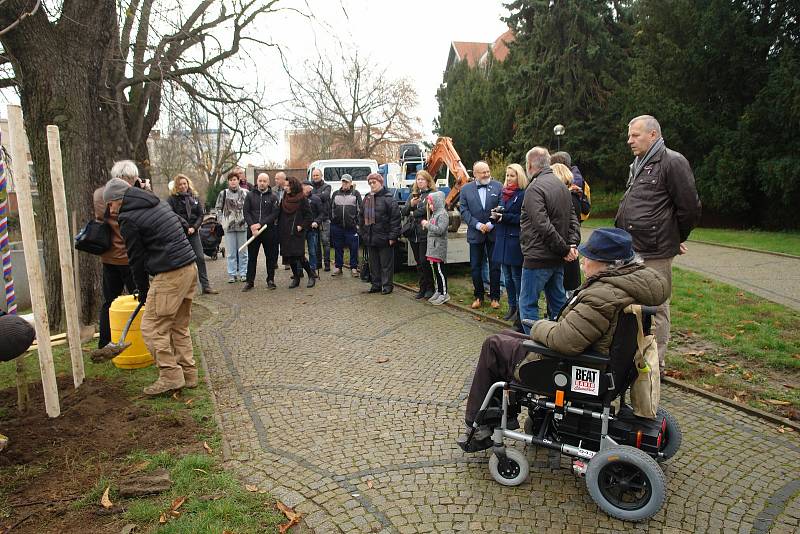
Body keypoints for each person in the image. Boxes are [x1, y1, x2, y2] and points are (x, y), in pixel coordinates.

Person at [457, 227, 669, 451]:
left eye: (589, 258)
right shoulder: (627, 286)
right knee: (505, 336)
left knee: (493, 346)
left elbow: (566, 341)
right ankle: (499, 416)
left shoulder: (603, 295)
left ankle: (478, 424)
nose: (583, 262)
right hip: (604, 366)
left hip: (578, 368)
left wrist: (538, 325)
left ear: (606, 264)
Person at [615, 115, 701, 374]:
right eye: (629, 135)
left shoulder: (672, 161)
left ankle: (655, 363)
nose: (629, 140)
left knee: (658, 306)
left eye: (635, 135)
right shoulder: (638, 163)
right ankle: (634, 354)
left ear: (653, 135)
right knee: (631, 304)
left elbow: (690, 207)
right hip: (632, 248)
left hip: (655, 250)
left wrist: (676, 238)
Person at [104, 177, 199, 396]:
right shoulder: (155, 202)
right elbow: (183, 225)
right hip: (189, 267)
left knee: (152, 327)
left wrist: (143, 290)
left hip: (171, 274)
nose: (111, 209)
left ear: (119, 199)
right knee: (178, 326)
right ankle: (189, 373)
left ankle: (170, 376)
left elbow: (135, 259)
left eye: (111, 204)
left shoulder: (128, 217)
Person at [518, 147, 580, 334]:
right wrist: (570, 246)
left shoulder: (534, 189)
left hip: (538, 258)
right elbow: (573, 220)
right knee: (559, 303)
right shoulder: (561, 185)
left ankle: (536, 348)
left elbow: (542, 225)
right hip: (557, 259)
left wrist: (565, 249)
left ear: (529, 165)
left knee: (528, 305)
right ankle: (561, 342)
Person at [93, 160, 137, 349]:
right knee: (141, 298)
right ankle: (143, 338)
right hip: (128, 256)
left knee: (109, 301)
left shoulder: (99, 195)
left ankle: (104, 341)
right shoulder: (128, 196)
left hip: (108, 256)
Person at [459, 161, 502, 310]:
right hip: (475, 233)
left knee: (495, 266)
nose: (486, 174)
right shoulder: (465, 189)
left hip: (493, 232)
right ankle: (478, 296)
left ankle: (495, 297)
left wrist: (490, 224)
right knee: (475, 267)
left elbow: (501, 206)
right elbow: (464, 211)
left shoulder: (498, 186)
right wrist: (478, 225)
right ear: (475, 174)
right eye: (483, 172)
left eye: (487, 171)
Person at [167, 174, 217, 295]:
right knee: (183, 261)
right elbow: (172, 215)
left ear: (188, 184)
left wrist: (194, 227)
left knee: (200, 257)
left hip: (193, 232)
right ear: (176, 186)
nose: (183, 186)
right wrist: (185, 226)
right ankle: (183, 289)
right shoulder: (172, 199)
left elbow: (201, 215)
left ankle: (206, 286)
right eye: (180, 184)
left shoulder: (194, 197)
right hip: (180, 233)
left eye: (185, 183)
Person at [491, 163, 528, 325]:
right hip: (502, 239)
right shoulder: (504, 194)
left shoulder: (523, 195)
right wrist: (497, 212)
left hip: (514, 240)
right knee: (507, 278)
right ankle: (511, 307)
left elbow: (523, 218)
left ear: (519, 176)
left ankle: (521, 311)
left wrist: (504, 217)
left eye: (512, 175)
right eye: (507, 175)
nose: (508, 178)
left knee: (516, 277)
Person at [359, 172, 401, 295]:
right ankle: (376, 284)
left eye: (374, 182)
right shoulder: (367, 198)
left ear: (380, 183)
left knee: (386, 264)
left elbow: (395, 219)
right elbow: (361, 217)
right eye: (370, 183)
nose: (372, 185)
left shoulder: (388, 199)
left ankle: (387, 285)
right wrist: (363, 233)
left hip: (384, 237)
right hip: (370, 237)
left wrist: (393, 236)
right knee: (374, 264)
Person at [402, 170, 436, 299]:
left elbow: (426, 209)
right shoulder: (413, 195)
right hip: (413, 233)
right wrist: (411, 205)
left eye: (422, 179)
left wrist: (413, 212)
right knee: (418, 262)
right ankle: (422, 288)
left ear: (427, 181)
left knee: (424, 261)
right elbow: (404, 211)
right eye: (418, 179)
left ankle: (430, 288)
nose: (420, 181)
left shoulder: (432, 194)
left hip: (425, 232)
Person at [242, 173, 279, 291]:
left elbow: (274, 214)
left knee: (270, 257)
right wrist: (252, 225)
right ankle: (249, 282)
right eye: (260, 180)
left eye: (264, 181)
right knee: (252, 257)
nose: (262, 183)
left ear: (268, 183)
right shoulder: (249, 195)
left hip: (268, 231)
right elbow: (246, 212)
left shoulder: (273, 196)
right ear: (257, 181)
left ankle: (270, 280)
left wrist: (261, 224)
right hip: (253, 231)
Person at [551, 163, 583, 297]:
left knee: (566, 296)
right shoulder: (567, 197)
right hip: (564, 251)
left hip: (567, 253)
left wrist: (567, 247)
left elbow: (573, 227)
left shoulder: (569, 199)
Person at [278, 176, 315, 288]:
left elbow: (309, 216)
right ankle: (296, 278)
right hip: (285, 231)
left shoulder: (302, 198)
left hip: (297, 232)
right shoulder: (284, 197)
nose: (286, 188)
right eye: (285, 185)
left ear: (293, 186)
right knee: (289, 256)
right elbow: (280, 213)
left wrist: (302, 226)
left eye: (288, 185)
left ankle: (311, 275)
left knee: (299, 256)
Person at [216, 172, 249, 282]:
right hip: (228, 227)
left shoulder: (245, 193)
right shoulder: (223, 193)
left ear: (238, 180)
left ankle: (243, 272)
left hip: (242, 225)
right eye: (230, 180)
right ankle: (232, 273)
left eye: (235, 179)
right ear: (228, 182)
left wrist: (249, 221)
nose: (233, 182)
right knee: (231, 252)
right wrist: (222, 222)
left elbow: (250, 208)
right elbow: (218, 208)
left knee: (243, 251)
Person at [330, 174, 362, 277]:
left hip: (351, 227)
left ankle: (353, 268)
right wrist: (332, 221)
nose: (345, 184)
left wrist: (357, 224)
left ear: (351, 183)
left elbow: (360, 210)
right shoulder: (335, 194)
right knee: (338, 247)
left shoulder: (356, 194)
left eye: (347, 182)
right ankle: (338, 267)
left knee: (354, 248)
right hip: (337, 226)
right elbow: (331, 208)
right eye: (343, 181)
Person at [421, 190, 450, 305]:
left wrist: (427, 225)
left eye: (432, 204)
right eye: (429, 204)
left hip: (438, 248)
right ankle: (438, 291)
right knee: (435, 271)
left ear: (438, 202)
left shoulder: (442, 214)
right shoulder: (435, 214)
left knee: (440, 271)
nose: (430, 206)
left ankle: (444, 293)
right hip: (432, 248)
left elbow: (440, 230)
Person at [310, 168, 332, 272]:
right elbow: (319, 197)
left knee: (325, 242)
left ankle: (327, 264)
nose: (315, 177)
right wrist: (319, 196)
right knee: (315, 243)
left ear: (321, 175)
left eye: (317, 175)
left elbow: (325, 196)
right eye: (314, 175)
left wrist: (313, 196)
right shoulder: (310, 186)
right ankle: (318, 264)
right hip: (314, 219)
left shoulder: (327, 186)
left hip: (325, 218)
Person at [303, 181, 324, 279]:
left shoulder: (316, 199)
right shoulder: (299, 199)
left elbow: (322, 213)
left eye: (305, 186)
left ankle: (313, 269)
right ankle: (299, 270)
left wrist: (316, 222)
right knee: (299, 251)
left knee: (312, 251)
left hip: (312, 229)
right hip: (301, 229)